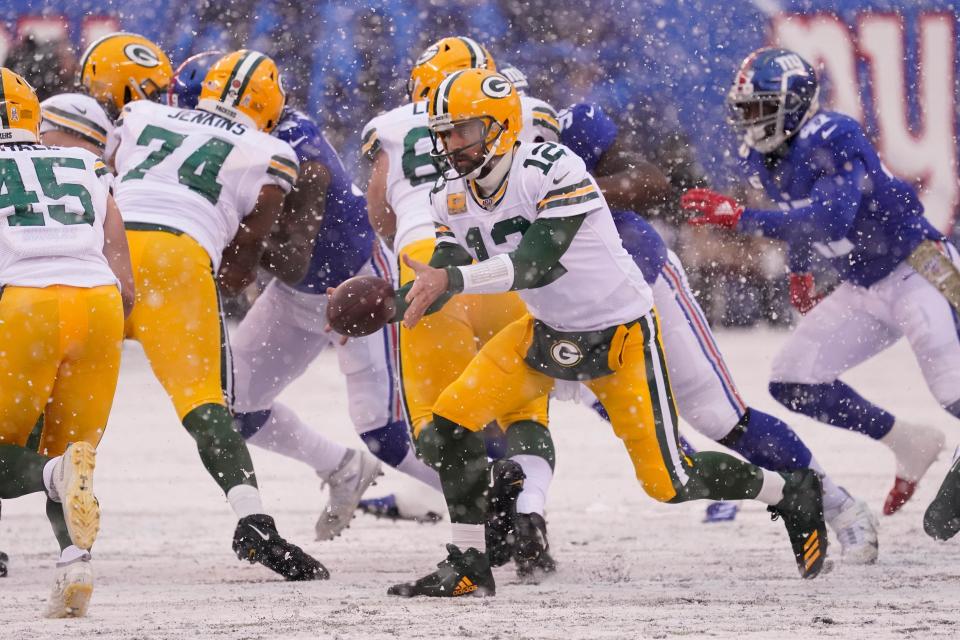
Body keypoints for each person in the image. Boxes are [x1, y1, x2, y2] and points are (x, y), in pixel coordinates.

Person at [386, 68, 828, 597]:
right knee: (449, 425)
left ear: (501, 125)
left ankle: (788, 491)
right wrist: (401, 299)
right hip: (543, 335)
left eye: (462, 130)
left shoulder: (552, 168)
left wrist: (451, 279)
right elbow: (449, 259)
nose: (449, 144)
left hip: (619, 339)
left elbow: (536, 264)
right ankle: (468, 563)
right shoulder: (449, 194)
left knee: (670, 481)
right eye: (444, 133)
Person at [559, 100, 878, 561]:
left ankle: (839, 505)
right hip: (558, 300)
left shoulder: (554, 133)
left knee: (719, 417)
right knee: (509, 397)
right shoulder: (448, 176)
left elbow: (647, 180)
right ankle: (506, 528)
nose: (451, 145)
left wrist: (568, 194)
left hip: (634, 278)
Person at [680, 48, 955, 525]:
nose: (751, 119)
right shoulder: (766, 155)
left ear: (792, 103)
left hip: (918, 266)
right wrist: (800, 270)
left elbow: (831, 217)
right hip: (862, 284)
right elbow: (799, 211)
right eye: (746, 108)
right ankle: (906, 440)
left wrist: (742, 218)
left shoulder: (833, 134)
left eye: (760, 106)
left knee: (952, 385)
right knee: (793, 380)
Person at [106, 46, 324, 580]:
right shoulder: (271, 151)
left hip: (105, 253)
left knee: (48, 394)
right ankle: (253, 522)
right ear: (272, 107)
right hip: (178, 257)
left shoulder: (140, 115)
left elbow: (101, 184)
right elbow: (240, 267)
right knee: (206, 406)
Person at [362, 36, 561, 577]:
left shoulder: (394, 125)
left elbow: (381, 210)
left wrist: (405, 247)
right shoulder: (526, 111)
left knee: (438, 421)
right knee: (522, 409)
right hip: (505, 264)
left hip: (429, 265)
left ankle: (473, 544)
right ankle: (526, 505)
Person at [0, 68, 134, 617]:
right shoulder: (85, 161)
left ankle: (50, 477)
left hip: (26, 305)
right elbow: (122, 266)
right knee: (74, 451)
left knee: (33, 462)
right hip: (99, 303)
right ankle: (74, 565)